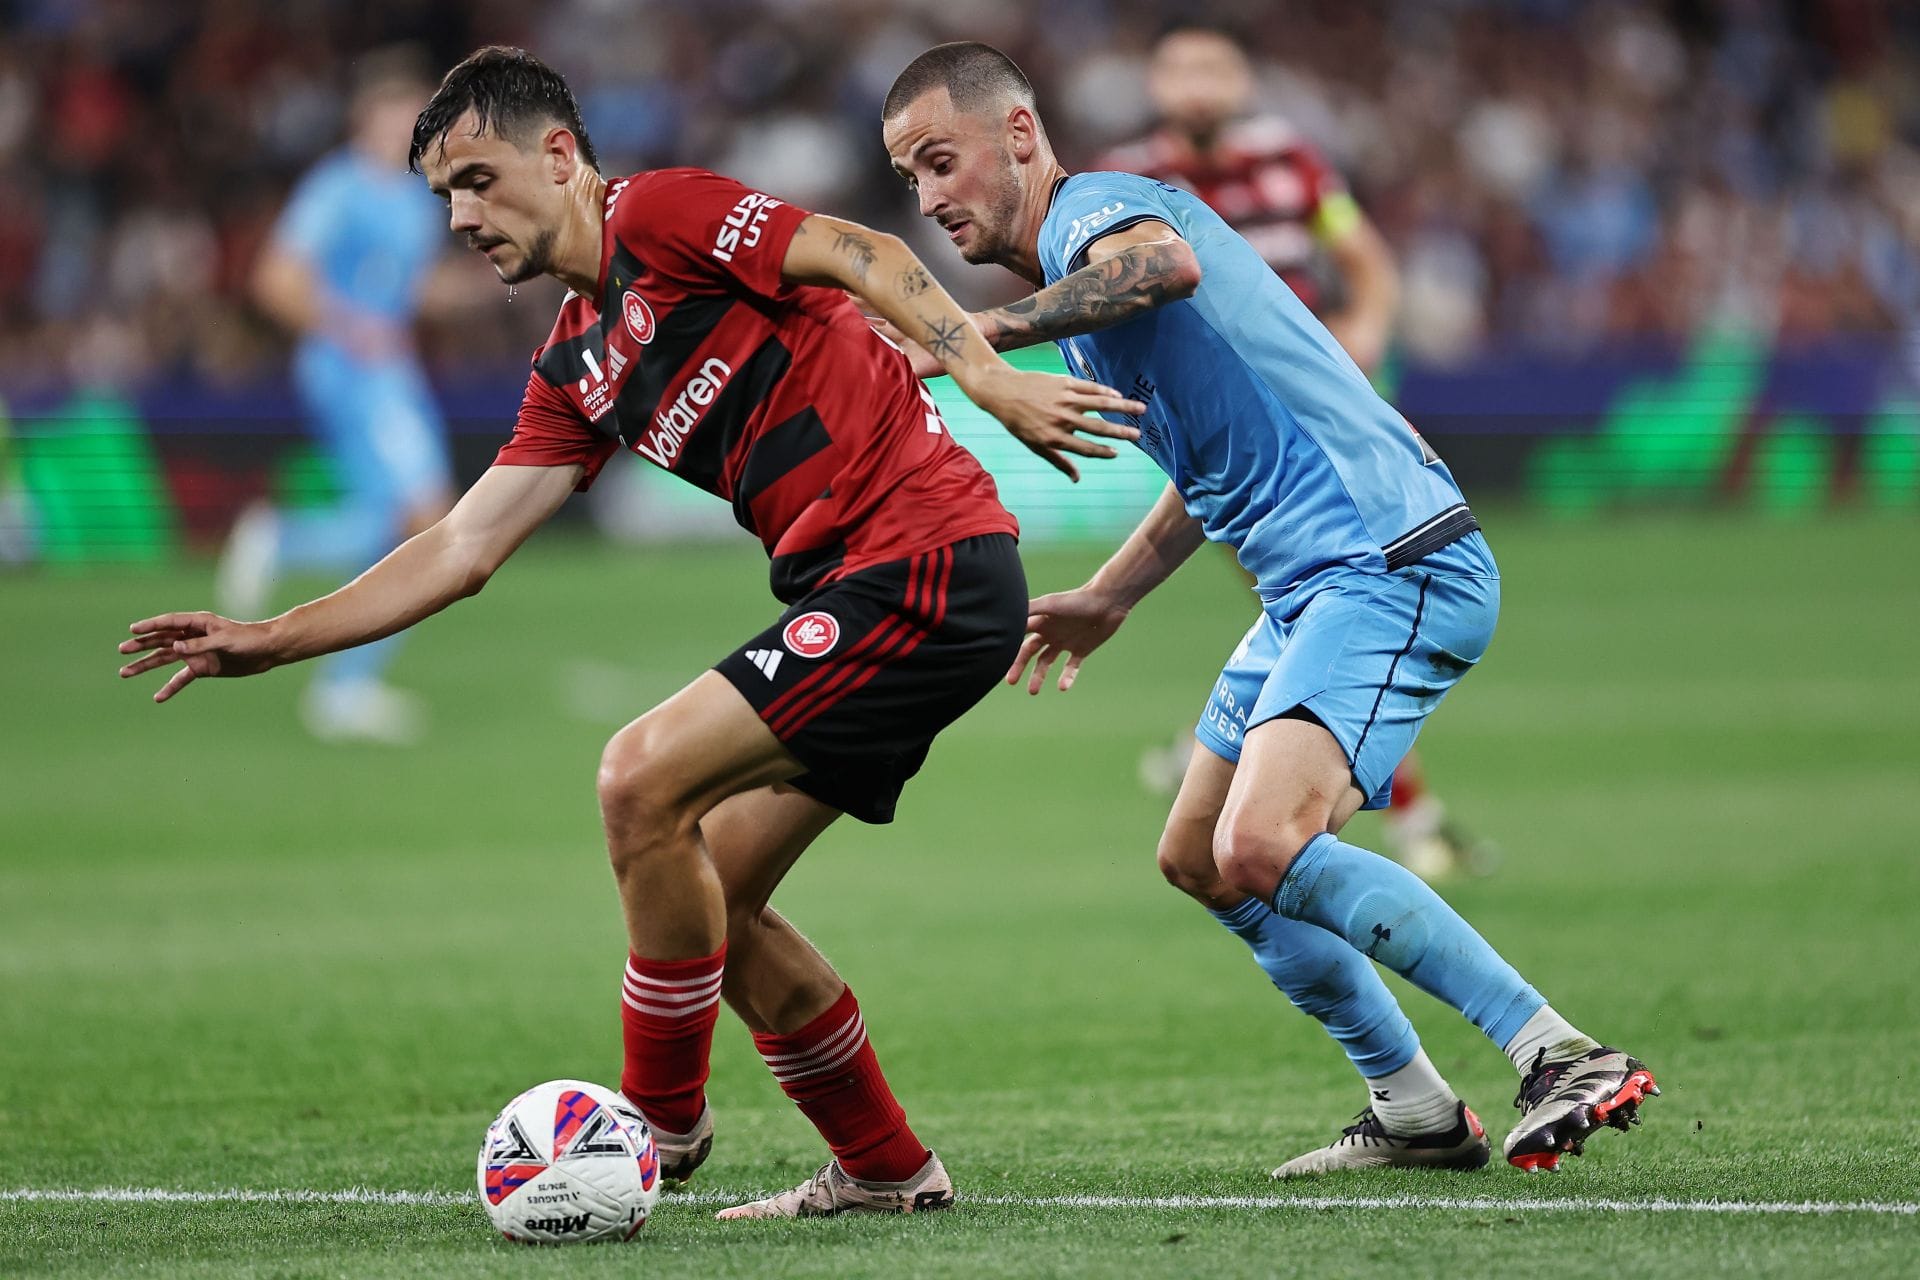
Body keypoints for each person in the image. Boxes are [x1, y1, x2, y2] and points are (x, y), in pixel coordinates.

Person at [122, 45, 1143, 1219]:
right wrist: (274, 637)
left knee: (637, 777)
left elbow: (864, 250)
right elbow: (462, 545)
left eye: (477, 179)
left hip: (925, 562)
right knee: (710, 904)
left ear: (561, 156)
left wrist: (986, 373)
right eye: (446, 196)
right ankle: (886, 1167)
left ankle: (653, 1122)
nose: (461, 217)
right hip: (856, 593)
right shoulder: (574, 362)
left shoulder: (660, 215)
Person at [881, 42, 1657, 1177]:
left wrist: (978, 336)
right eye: (909, 177)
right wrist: (1109, 594)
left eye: (941, 161)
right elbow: (1213, 475)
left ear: (1022, 136)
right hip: (1309, 587)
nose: (928, 198)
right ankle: (1414, 1110)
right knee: (1200, 854)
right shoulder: (1081, 291)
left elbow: (1165, 265)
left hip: (1387, 557)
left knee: (1262, 842)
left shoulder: (1099, 211)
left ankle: (1559, 1052)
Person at [1100, 23, 1484, 879]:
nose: (1198, 84)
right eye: (1180, 68)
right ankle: (1391, 812)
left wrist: (1366, 329)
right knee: (1322, 609)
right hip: (1229, 441)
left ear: (1244, 81)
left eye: (1215, 67)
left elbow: (1365, 259)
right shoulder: (1126, 184)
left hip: (1318, 422)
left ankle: (1233, 757)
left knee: (1325, 606)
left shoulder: (1294, 163)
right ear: (1154, 85)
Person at [219, 49, 458, 744]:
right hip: (352, 371)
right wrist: (351, 327)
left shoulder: (414, 198)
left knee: (401, 523)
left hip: (393, 372)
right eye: (400, 114)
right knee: (426, 520)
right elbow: (276, 279)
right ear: (366, 118)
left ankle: (343, 681)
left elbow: (408, 291)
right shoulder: (338, 188)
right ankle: (287, 547)